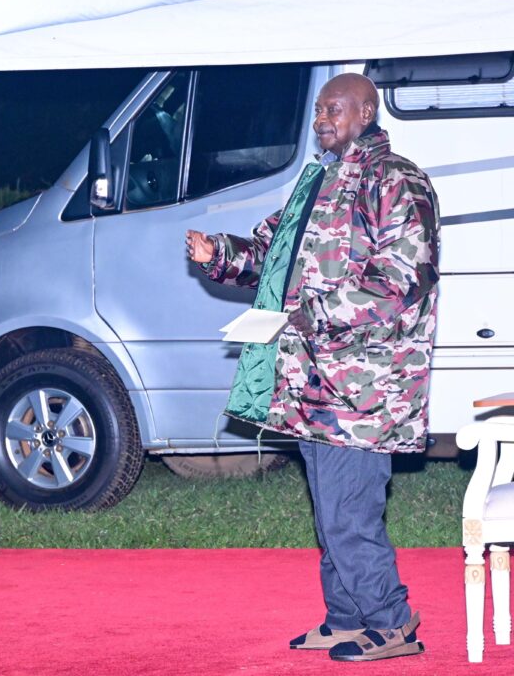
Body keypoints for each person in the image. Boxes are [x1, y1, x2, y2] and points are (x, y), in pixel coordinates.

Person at [186, 73, 439, 662]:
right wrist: (218, 254)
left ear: (367, 112)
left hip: (366, 386)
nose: (321, 118)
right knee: (330, 513)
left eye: (334, 108)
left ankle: (392, 623)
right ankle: (348, 617)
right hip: (313, 382)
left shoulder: (394, 180)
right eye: (319, 109)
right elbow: (272, 255)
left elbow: (402, 281)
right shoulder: (318, 180)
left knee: (351, 512)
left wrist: (306, 313)